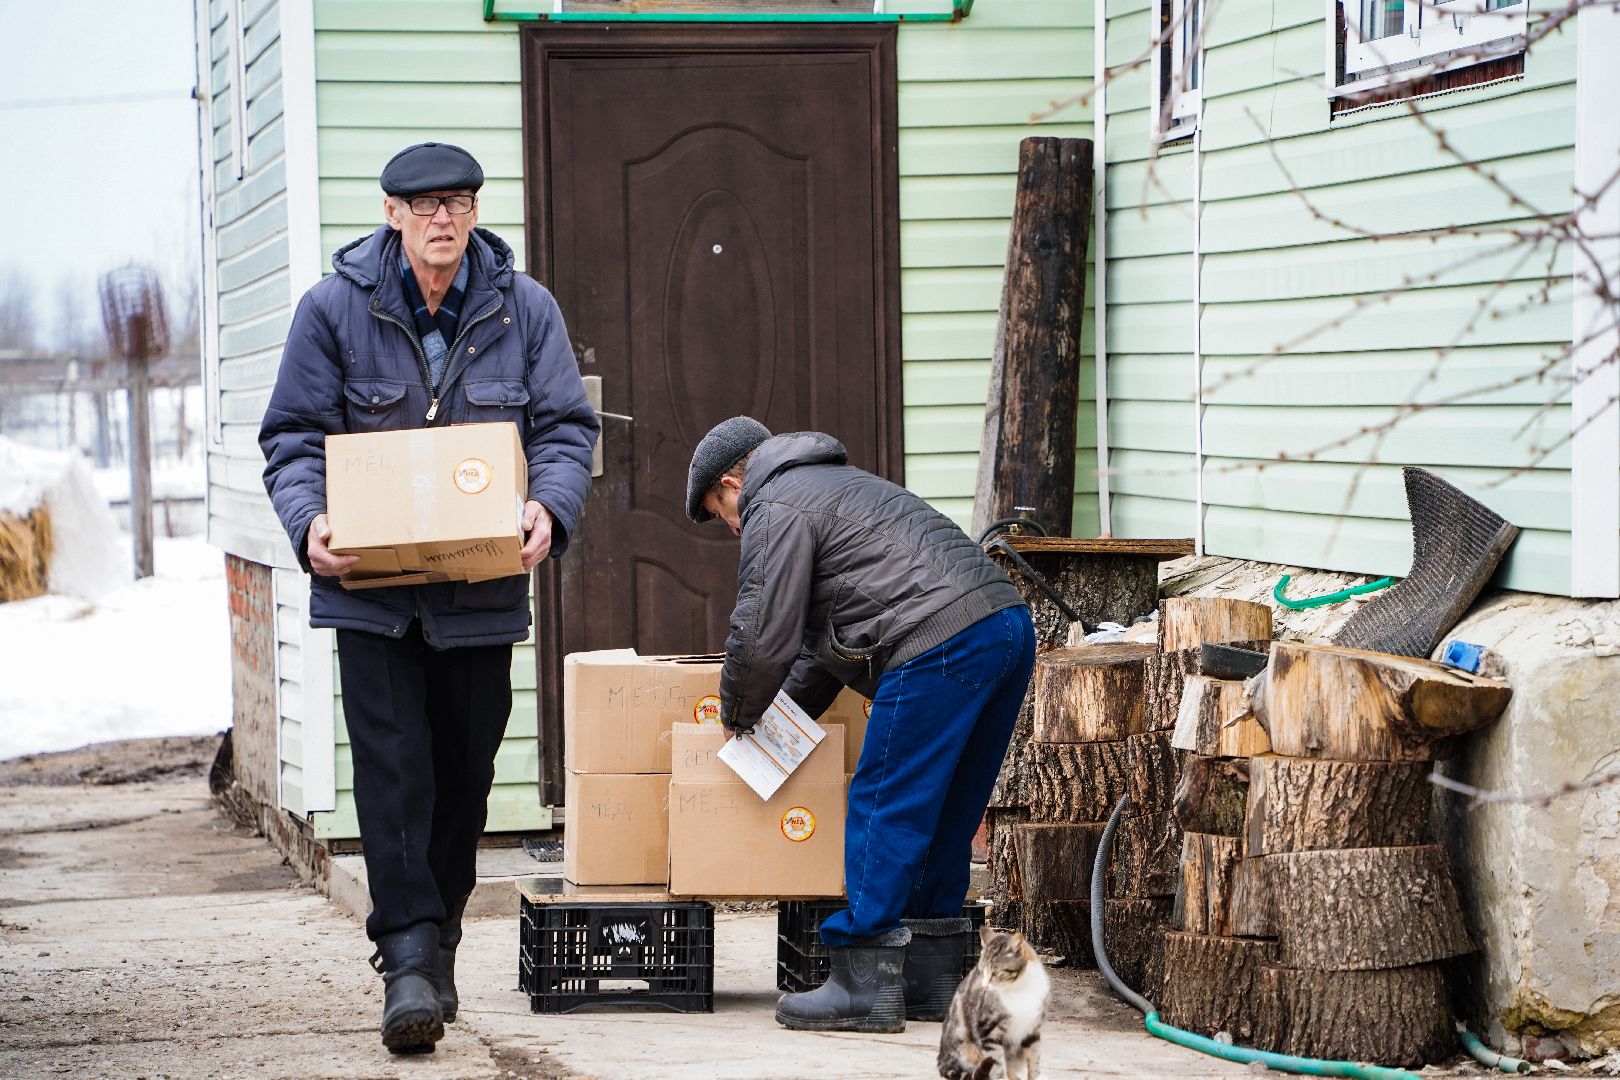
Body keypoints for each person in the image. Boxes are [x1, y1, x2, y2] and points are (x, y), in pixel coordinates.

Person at [259, 142, 598, 1053]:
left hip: (480, 589)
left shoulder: (525, 310)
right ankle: (406, 956)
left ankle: (437, 939)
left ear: (475, 214)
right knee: (393, 773)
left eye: (457, 202)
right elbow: (293, 435)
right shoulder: (335, 308)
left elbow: (567, 428)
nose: (441, 218)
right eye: (423, 205)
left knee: (465, 773)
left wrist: (549, 507)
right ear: (392, 214)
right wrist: (309, 523)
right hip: (371, 596)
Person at [685, 417, 1035, 1034]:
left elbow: (763, 632)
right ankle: (930, 978)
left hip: (937, 643)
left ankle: (860, 985)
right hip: (1003, 626)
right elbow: (821, 655)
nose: (733, 527)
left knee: (882, 801)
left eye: (721, 512)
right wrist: (773, 727)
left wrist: (735, 713)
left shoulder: (775, 503)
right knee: (949, 805)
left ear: (733, 481)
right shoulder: (837, 485)